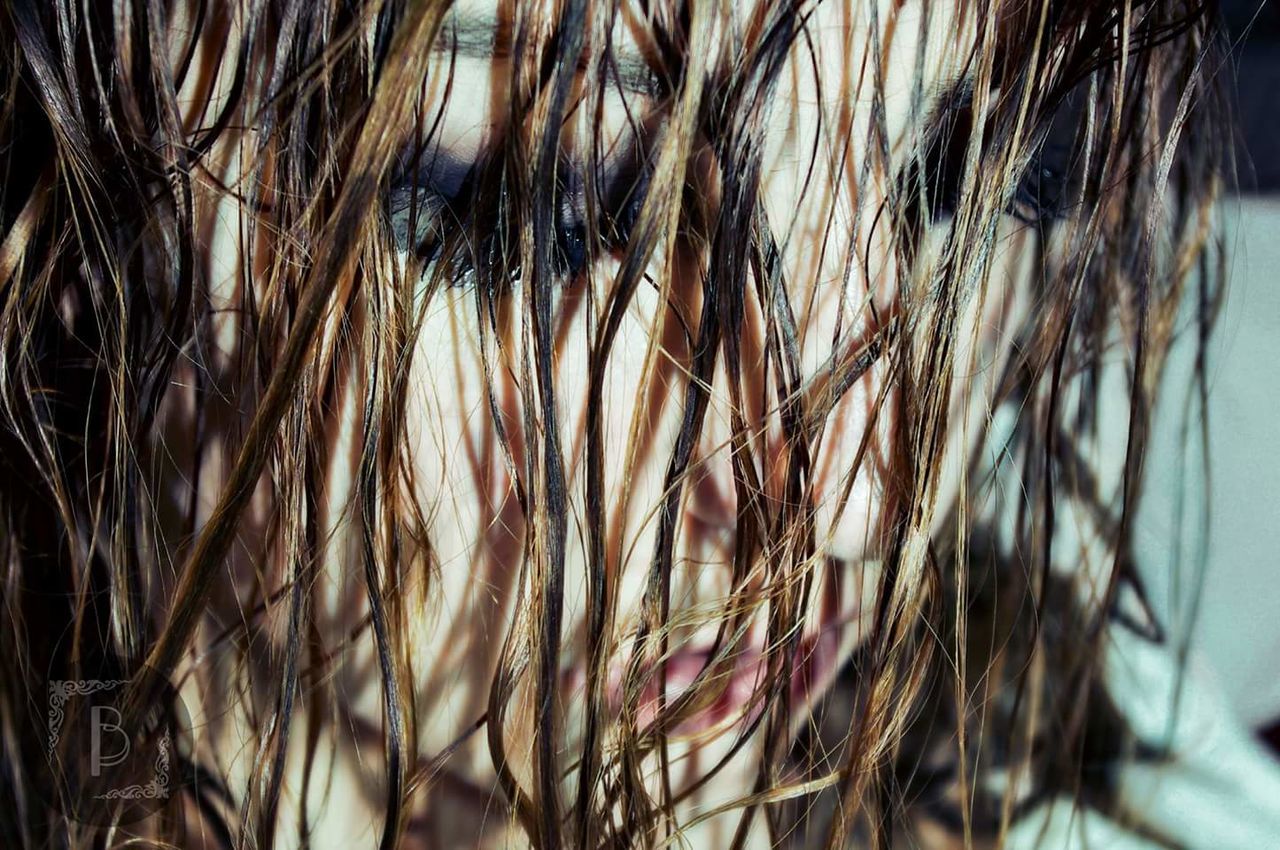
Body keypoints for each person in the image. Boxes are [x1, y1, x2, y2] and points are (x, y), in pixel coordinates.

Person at [0, 0, 1257, 847]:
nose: (868, 488)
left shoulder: (1098, 745)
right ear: (60, 198)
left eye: (971, 171)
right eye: (542, 197)